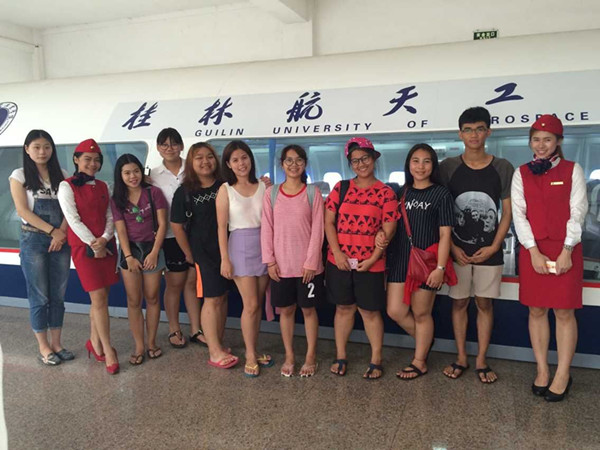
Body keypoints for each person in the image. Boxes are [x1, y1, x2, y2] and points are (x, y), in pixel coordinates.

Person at [511, 115, 587, 402]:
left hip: (567, 248)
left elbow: (578, 211)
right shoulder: (521, 173)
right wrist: (533, 251)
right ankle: (542, 369)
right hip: (533, 250)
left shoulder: (572, 170)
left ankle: (563, 373)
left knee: (564, 312)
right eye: (536, 139)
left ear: (558, 141)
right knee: (536, 310)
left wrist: (567, 250)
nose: (541, 145)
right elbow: (519, 215)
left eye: (547, 139)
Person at [439, 106, 514, 383]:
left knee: (484, 304)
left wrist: (495, 246)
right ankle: (461, 357)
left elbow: (507, 212)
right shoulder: (447, 167)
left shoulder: (502, 167)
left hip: (489, 252)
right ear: (460, 134)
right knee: (458, 303)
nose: (474, 135)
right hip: (456, 250)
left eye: (480, 129)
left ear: (488, 132)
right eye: (468, 130)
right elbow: (441, 211)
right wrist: (451, 248)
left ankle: (481, 359)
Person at [325, 137, 398, 379]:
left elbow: (389, 229)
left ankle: (376, 359)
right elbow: (328, 222)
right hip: (339, 262)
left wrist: (374, 258)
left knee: (370, 312)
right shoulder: (341, 188)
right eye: (355, 161)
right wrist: (337, 253)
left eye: (365, 158)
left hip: (371, 264)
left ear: (374, 158)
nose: (361, 164)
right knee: (343, 308)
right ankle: (341, 355)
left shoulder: (386, 193)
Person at [383, 144, 455, 380]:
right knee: (395, 310)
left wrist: (440, 268)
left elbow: (445, 234)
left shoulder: (441, 194)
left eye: (426, 161)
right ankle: (425, 340)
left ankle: (420, 361)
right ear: (408, 164)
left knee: (422, 313)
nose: (420, 166)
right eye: (416, 161)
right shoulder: (401, 193)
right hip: (400, 260)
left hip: (427, 263)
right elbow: (390, 225)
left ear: (433, 165)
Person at [171, 142, 238, 369]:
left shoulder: (225, 184)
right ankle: (214, 352)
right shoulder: (184, 191)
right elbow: (177, 225)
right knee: (211, 298)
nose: (205, 161)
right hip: (204, 253)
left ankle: (218, 342)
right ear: (191, 162)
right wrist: (189, 253)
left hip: (228, 250)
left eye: (209, 156)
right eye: (199, 157)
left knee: (223, 297)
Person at [9, 130, 72, 365]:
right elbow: (23, 211)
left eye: (46, 147)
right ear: (27, 149)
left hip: (60, 241)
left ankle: (57, 343)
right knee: (40, 295)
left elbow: (69, 209)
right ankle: (44, 347)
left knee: (58, 294)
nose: (42, 152)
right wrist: (52, 231)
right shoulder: (19, 175)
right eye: (36, 147)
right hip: (33, 240)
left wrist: (61, 233)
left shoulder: (62, 175)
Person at [261, 144, 325, 377]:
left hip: (308, 268)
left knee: (308, 310)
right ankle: (289, 356)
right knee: (286, 311)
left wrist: (311, 263)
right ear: (282, 164)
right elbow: (266, 229)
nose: (294, 164)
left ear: (305, 164)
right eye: (289, 160)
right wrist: (270, 261)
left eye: (298, 160)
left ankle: (310, 356)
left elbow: (318, 230)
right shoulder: (272, 193)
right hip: (281, 267)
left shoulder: (313, 193)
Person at [57, 139, 120, 374]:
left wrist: (105, 239)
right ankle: (108, 349)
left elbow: (110, 216)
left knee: (101, 297)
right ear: (76, 159)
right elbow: (72, 220)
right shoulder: (66, 186)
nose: (92, 164)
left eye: (96, 160)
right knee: (99, 298)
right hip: (84, 248)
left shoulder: (104, 186)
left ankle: (94, 343)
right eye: (87, 159)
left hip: (106, 245)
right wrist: (94, 243)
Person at [216, 140, 272, 377]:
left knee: (257, 303)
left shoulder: (264, 186)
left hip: (264, 245)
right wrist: (224, 259)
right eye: (235, 160)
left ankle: (254, 348)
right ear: (228, 164)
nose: (241, 163)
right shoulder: (225, 190)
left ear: (251, 159)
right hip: (239, 246)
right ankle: (249, 354)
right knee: (250, 305)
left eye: (244, 158)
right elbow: (221, 227)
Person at [111, 154, 168, 365]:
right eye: (127, 173)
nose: (132, 176)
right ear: (120, 175)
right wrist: (128, 257)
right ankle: (139, 346)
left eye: (136, 171)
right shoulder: (117, 199)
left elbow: (163, 224)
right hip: (130, 251)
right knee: (134, 300)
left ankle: (151, 342)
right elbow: (121, 230)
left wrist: (154, 252)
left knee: (152, 297)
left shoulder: (154, 193)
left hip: (153, 248)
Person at [151, 128, 205, 348]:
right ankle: (174, 328)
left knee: (192, 283)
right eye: (164, 144)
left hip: (195, 234)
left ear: (182, 146)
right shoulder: (152, 176)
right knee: (174, 283)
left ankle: (196, 329)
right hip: (170, 236)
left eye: (174, 143)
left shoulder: (193, 168)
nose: (169, 148)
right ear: (158, 148)